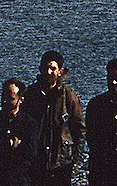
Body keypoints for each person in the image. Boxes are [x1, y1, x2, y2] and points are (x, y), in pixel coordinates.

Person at [22, 51, 83, 186]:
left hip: (61, 163)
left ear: (60, 71)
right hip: (36, 161)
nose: (49, 72)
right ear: (40, 69)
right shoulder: (30, 94)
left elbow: (79, 128)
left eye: (53, 68)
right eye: (45, 68)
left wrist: (76, 158)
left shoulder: (68, 96)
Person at [0, 79, 37, 186]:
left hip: (19, 180)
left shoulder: (28, 123)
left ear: (21, 100)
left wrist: (0, 145)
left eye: (11, 98)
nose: (5, 101)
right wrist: (11, 144)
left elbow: (30, 152)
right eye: (3, 97)